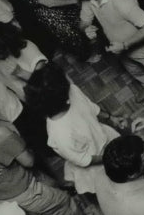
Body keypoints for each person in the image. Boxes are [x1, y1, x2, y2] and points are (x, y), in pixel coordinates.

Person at [23, 63, 126, 195]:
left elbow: (91, 107)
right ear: (63, 97)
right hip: (97, 163)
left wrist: (111, 117)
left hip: (104, 138)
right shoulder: (59, 135)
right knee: (113, 189)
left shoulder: (72, 91)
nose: (68, 81)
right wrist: (112, 157)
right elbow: (86, 160)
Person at [0, 19, 49, 101]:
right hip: (30, 100)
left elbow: (47, 82)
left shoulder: (27, 48)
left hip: (45, 97)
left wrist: (20, 72)